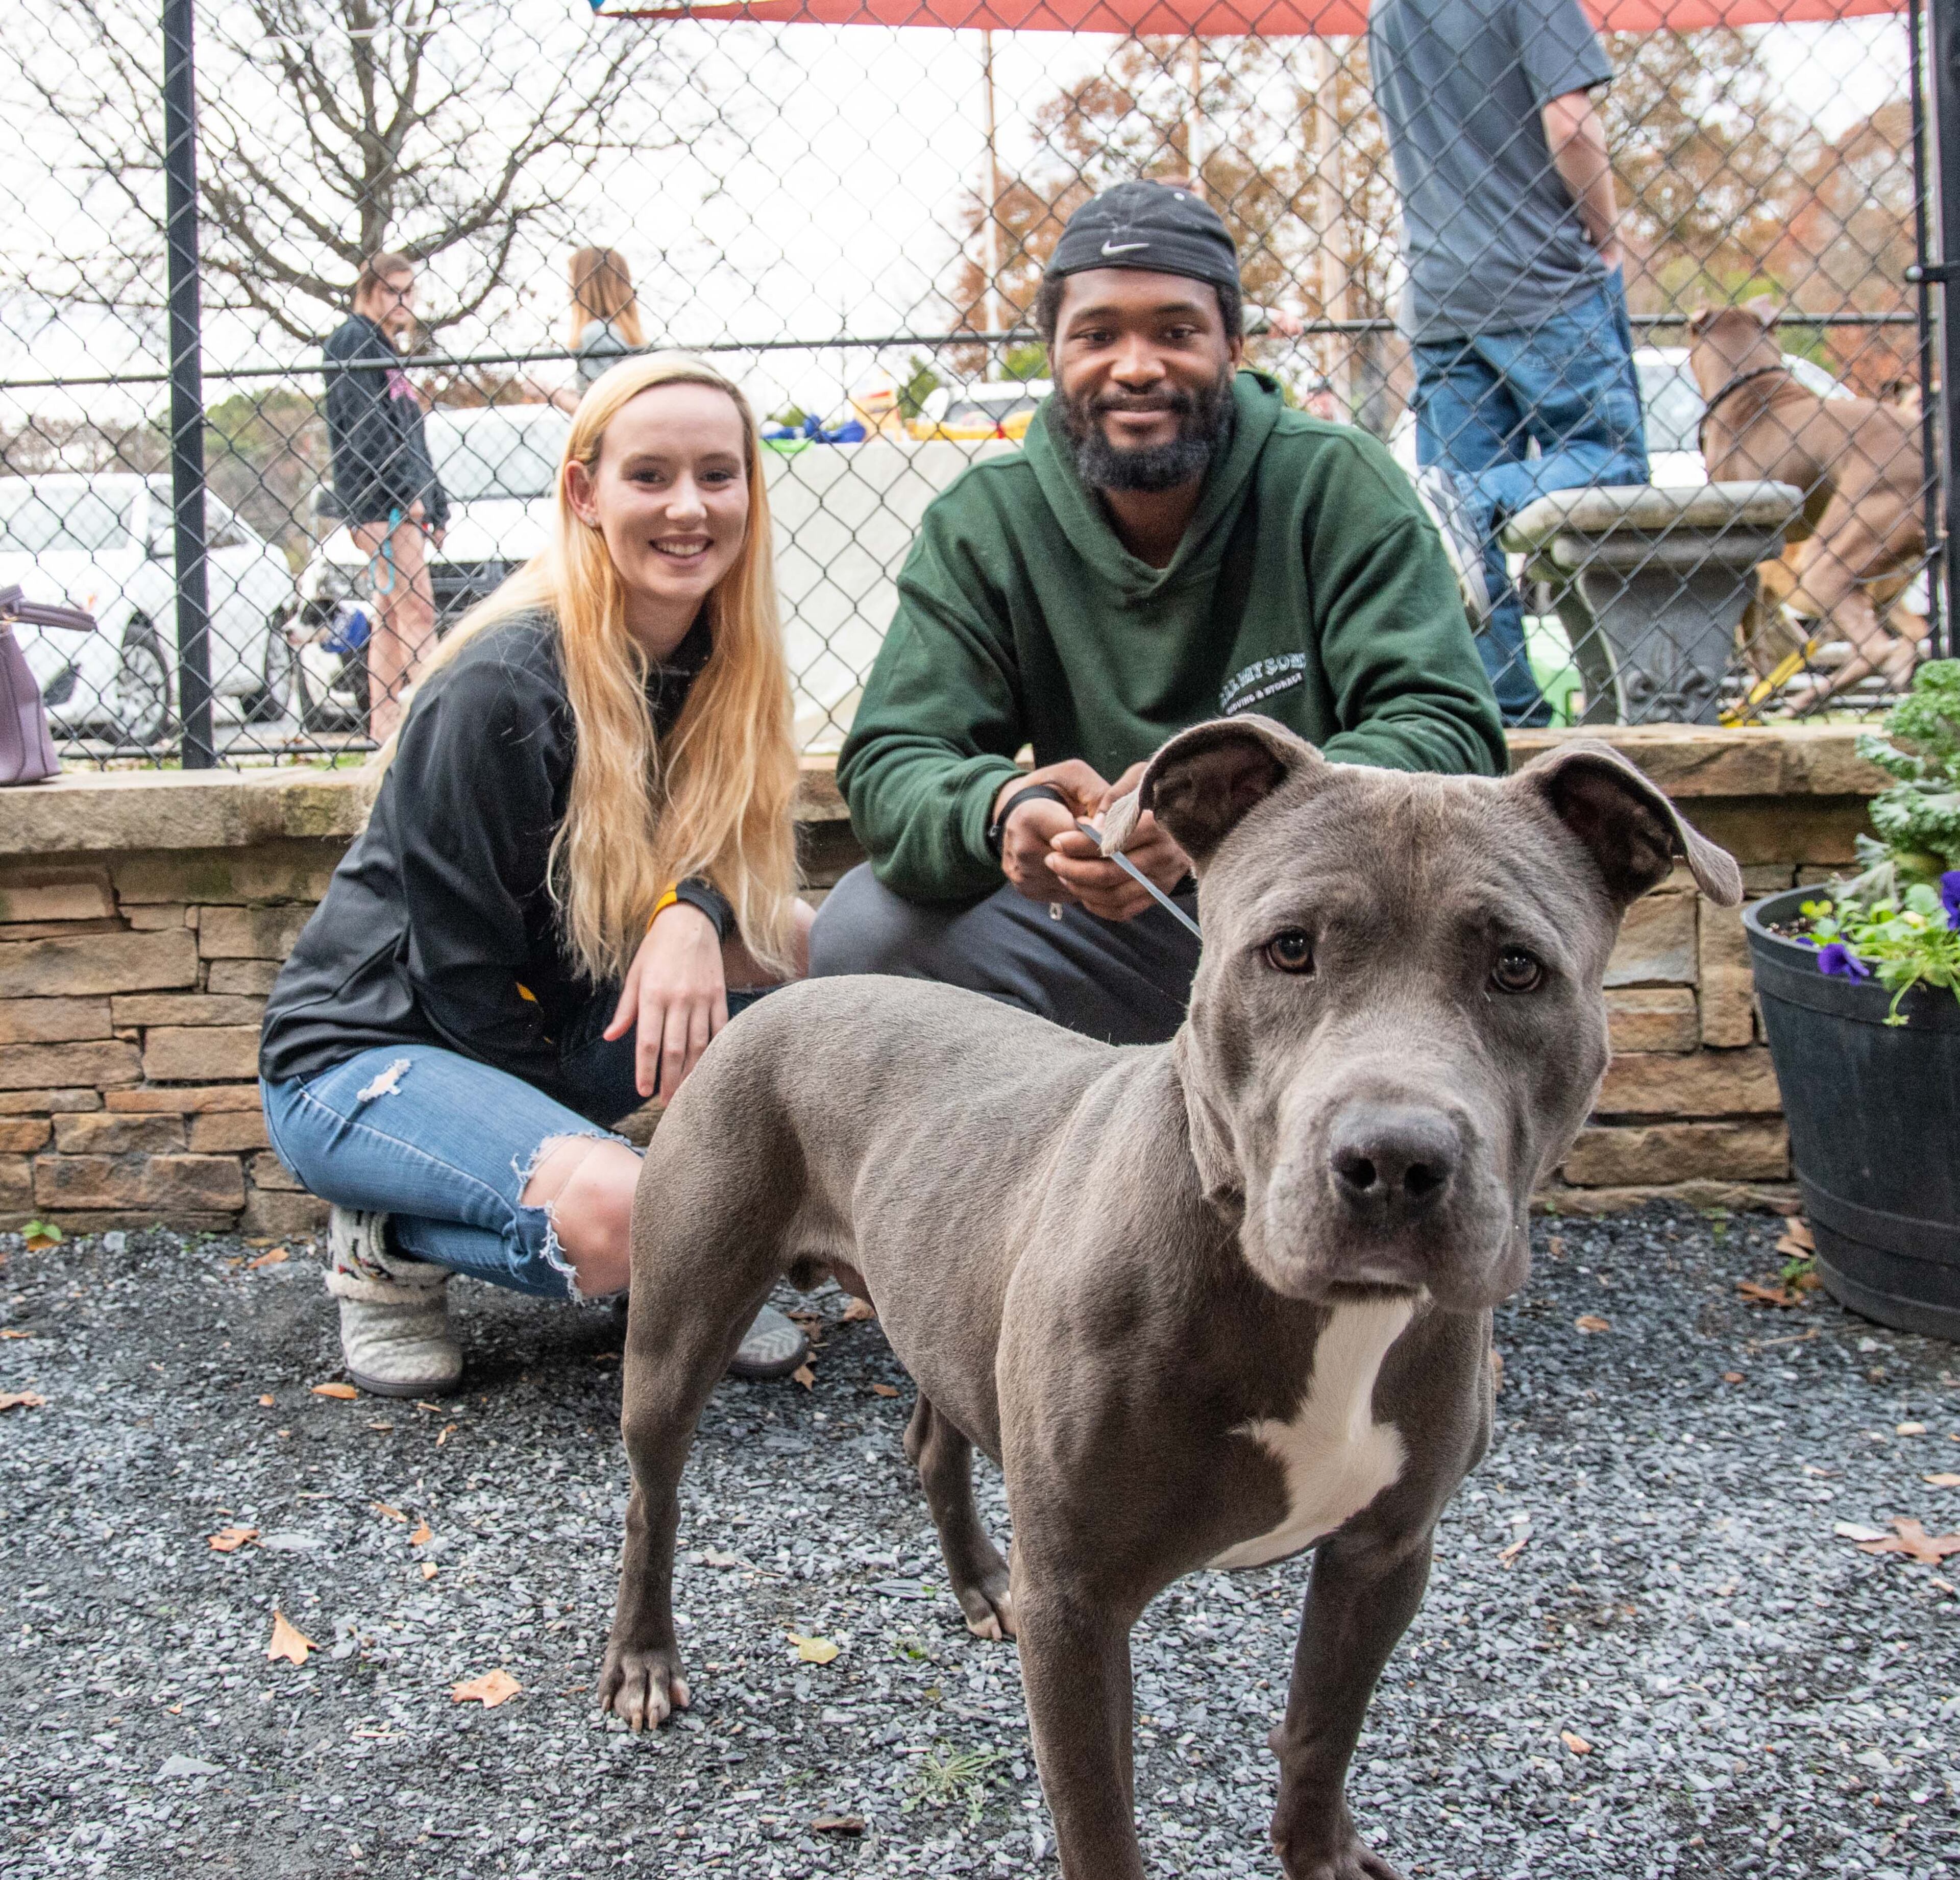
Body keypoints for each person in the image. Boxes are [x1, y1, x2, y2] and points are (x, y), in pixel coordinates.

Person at [809, 180, 1504, 1044]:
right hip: (1125, 936)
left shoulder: (1336, 482)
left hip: (1338, 939)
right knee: (865, 934)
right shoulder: (987, 519)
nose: (1136, 365)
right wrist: (1003, 811)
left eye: (1175, 332)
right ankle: (1050, 1165)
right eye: (1098, 335)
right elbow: (892, 758)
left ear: (1233, 345)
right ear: (1054, 354)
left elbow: (1448, 727)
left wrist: (1228, 815)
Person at [260, 353, 814, 1398]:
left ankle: (661, 1233)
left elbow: (722, 858)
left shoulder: (723, 663)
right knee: (627, 1216)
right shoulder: (501, 685)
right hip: (368, 1056)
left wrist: (693, 913)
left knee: (803, 941)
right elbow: (457, 978)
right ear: (585, 493)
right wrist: (608, 1168)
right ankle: (388, 1243)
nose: (689, 505)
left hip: (537, 1025)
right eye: (650, 476)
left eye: (717, 473)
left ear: (750, 488)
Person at [1369, 0, 1651, 727]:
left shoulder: (1390, 11)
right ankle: (1472, 497)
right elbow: (1573, 125)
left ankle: (1506, 712)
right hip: (1547, 280)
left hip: (1438, 292)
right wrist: (1607, 234)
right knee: (1613, 464)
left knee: (1458, 522)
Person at [322, 251, 451, 742]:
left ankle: (386, 727)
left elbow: (409, 432)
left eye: (410, 291)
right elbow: (366, 433)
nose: (405, 301)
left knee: (393, 611)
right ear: (371, 289)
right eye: (395, 290)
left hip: (399, 498)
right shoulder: (353, 341)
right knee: (416, 608)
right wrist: (407, 495)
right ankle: (438, 727)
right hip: (382, 502)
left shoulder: (384, 346)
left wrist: (434, 500)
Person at [550, 246, 646, 411]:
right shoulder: (624, 333)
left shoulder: (596, 333)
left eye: (571, 280)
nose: (568, 291)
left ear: (585, 286)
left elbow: (597, 413)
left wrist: (549, 391)